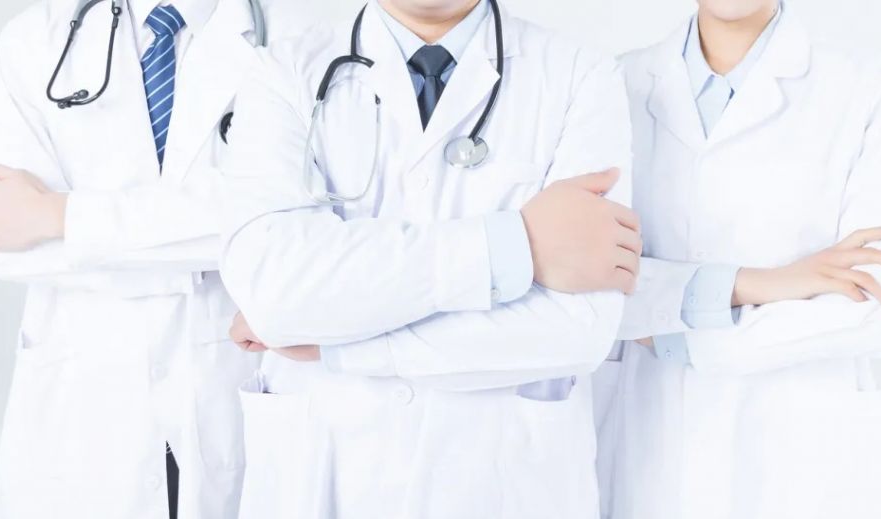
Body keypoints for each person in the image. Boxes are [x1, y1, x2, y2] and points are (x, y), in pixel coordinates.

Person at [219, 0, 639, 517]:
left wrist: (337, 347)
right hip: (322, 470)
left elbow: (578, 328)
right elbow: (276, 292)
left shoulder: (581, 76)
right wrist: (515, 243)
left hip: (498, 481)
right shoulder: (283, 71)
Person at [593, 1, 881, 518]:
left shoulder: (870, 90)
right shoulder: (612, 85)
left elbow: (871, 307)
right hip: (647, 455)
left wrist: (675, 337)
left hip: (802, 460)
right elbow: (584, 284)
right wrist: (768, 283)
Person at [0, 0, 292, 517]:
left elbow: (285, 220)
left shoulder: (292, 34)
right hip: (86, 402)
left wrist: (59, 216)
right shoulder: (35, 40)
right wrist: (199, 244)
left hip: (228, 389)